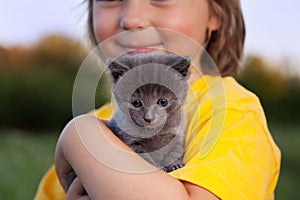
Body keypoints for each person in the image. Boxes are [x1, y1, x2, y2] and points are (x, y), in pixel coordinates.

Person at [34, 0, 281, 199]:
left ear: (216, 14)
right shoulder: (97, 119)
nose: (131, 18)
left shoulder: (232, 112)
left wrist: (80, 135)